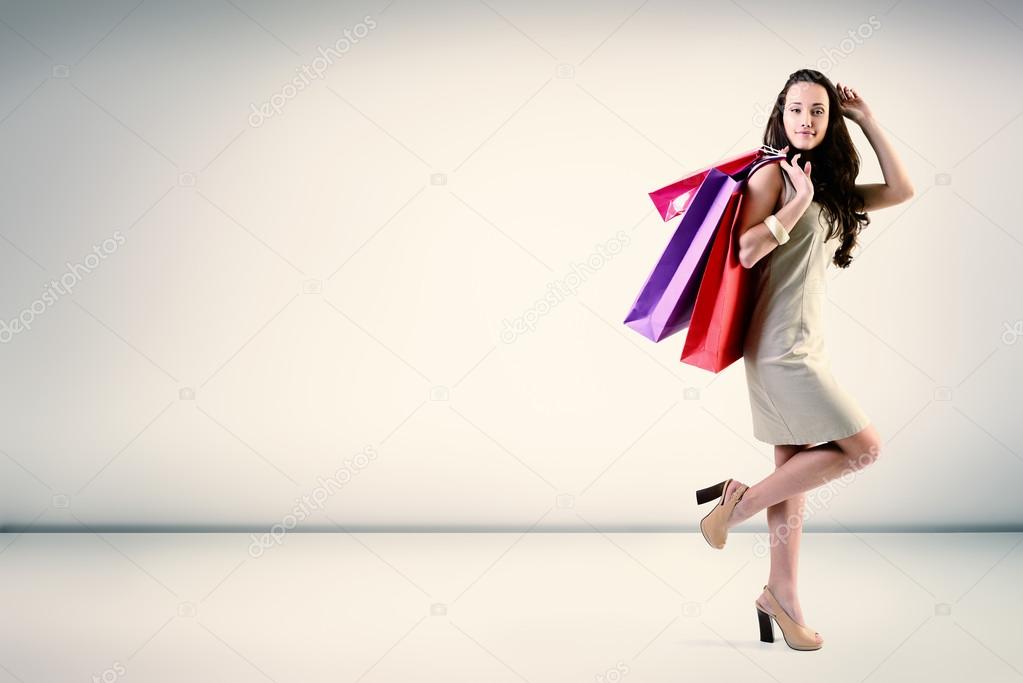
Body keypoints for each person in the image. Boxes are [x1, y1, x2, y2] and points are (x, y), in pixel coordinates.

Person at [696, 69, 915, 651]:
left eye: (818, 111)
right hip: (777, 347)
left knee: (794, 477)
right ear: (781, 113)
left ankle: (781, 596)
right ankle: (734, 507)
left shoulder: (833, 185)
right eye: (797, 110)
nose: (807, 120)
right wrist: (797, 204)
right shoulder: (771, 176)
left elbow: (901, 190)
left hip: (807, 341)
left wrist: (867, 120)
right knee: (863, 449)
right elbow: (744, 251)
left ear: (830, 119)